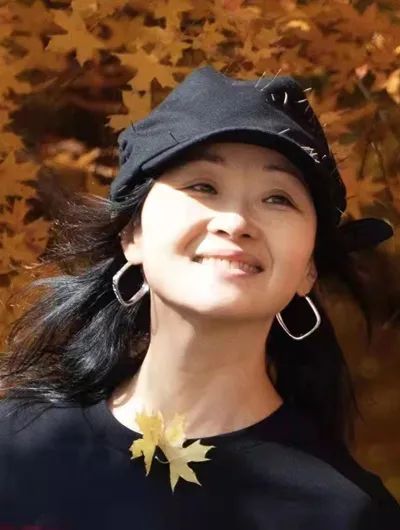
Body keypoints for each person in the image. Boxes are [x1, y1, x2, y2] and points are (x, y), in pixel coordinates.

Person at [0, 65, 399, 530]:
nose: (236, 222)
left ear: (309, 268)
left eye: (278, 198)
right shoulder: (12, 446)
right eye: (203, 186)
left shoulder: (347, 513)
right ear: (133, 235)